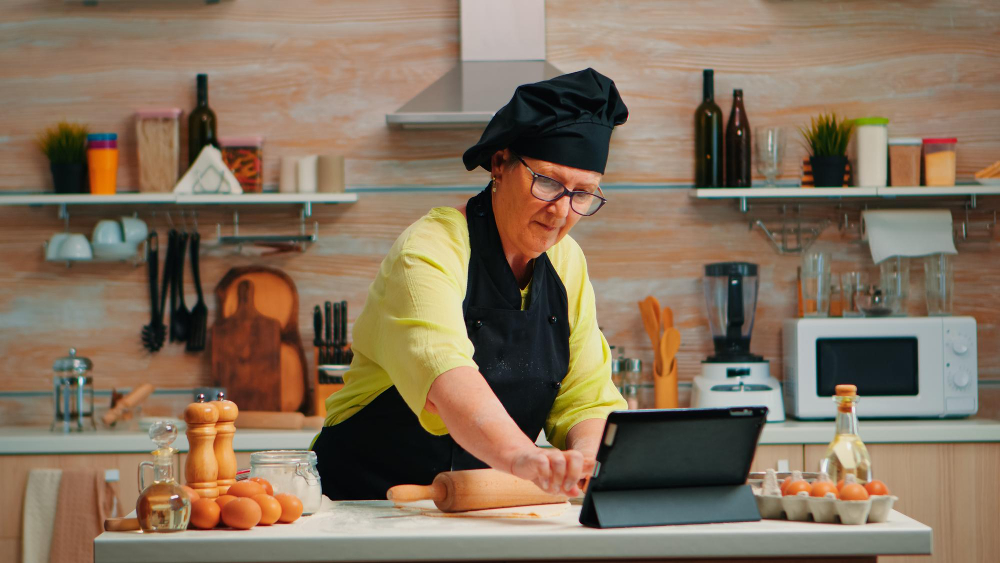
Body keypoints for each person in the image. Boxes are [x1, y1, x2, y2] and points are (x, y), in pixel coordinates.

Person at [312, 68, 629, 501]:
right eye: (549, 182)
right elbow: (446, 377)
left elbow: (587, 398)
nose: (561, 211)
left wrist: (586, 460)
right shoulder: (429, 249)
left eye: (583, 193)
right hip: (360, 506)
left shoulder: (566, 262)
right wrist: (522, 457)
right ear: (500, 164)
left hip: (478, 508)